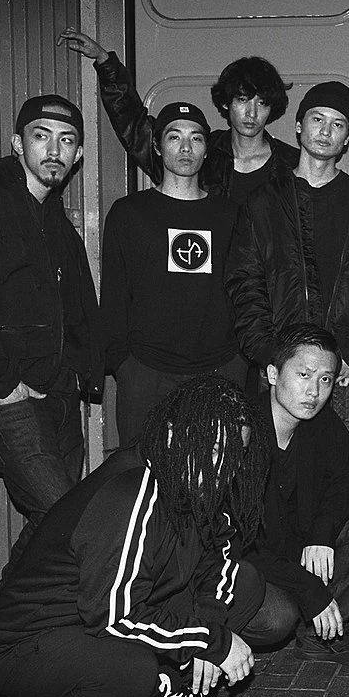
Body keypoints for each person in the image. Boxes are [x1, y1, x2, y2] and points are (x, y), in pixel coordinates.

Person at [0, 374, 274, 697]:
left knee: (245, 581)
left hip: (104, 619)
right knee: (130, 673)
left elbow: (221, 558)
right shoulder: (132, 489)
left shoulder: (197, 477)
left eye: (234, 455)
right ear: (173, 434)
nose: (221, 467)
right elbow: (113, 617)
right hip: (33, 646)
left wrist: (209, 625)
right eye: (214, 448)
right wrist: (212, 643)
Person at [0, 93, 103, 568]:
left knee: (53, 526)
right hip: (11, 396)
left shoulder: (59, 223)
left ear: (78, 155)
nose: (54, 150)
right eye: (41, 136)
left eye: (66, 140)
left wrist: (79, 375)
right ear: (17, 144)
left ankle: (9, 607)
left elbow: (81, 309)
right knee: (68, 520)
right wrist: (5, 384)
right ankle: (9, 611)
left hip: (60, 394)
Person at [225, 81, 349, 462]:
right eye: (317, 119)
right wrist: (270, 354)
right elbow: (244, 285)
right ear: (298, 126)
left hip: (346, 372)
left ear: (348, 139)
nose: (325, 131)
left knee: (344, 480)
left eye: (338, 124)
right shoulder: (263, 201)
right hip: (280, 371)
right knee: (273, 476)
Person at [99, 100, 248, 445]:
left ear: (206, 149)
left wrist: (239, 360)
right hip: (146, 372)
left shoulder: (230, 215)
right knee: (143, 469)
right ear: (157, 146)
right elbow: (114, 296)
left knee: (217, 469)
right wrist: (124, 364)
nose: (185, 147)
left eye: (196, 138)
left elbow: (246, 292)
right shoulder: (129, 213)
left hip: (220, 368)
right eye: (174, 137)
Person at [240, 323, 349, 667]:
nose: (314, 391)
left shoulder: (320, 420)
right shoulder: (242, 432)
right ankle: (216, 635)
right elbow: (239, 544)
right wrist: (307, 588)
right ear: (273, 374)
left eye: (325, 379)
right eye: (303, 375)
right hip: (248, 561)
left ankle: (324, 633)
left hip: (293, 544)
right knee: (276, 619)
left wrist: (322, 532)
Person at [58, 27, 299, 207]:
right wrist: (105, 62)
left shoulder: (291, 164)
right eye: (243, 100)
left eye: (262, 103)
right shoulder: (201, 153)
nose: (252, 113)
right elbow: (135, 127)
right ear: (227, 102)